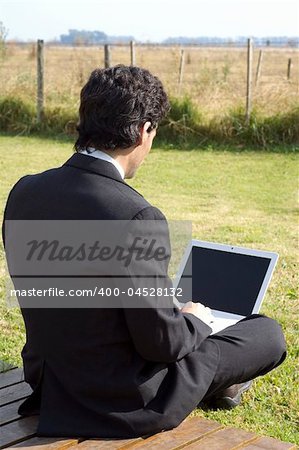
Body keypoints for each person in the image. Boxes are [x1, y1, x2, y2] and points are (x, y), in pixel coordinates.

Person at [2, 65, 286, 438]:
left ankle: (212, 375)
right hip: (122, 399)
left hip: (49, 380)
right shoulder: (136, 215)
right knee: (266, 333)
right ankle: (217, 381)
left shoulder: (24, 191)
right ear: (142, 131)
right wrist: (195, 319)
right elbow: (162, 344)